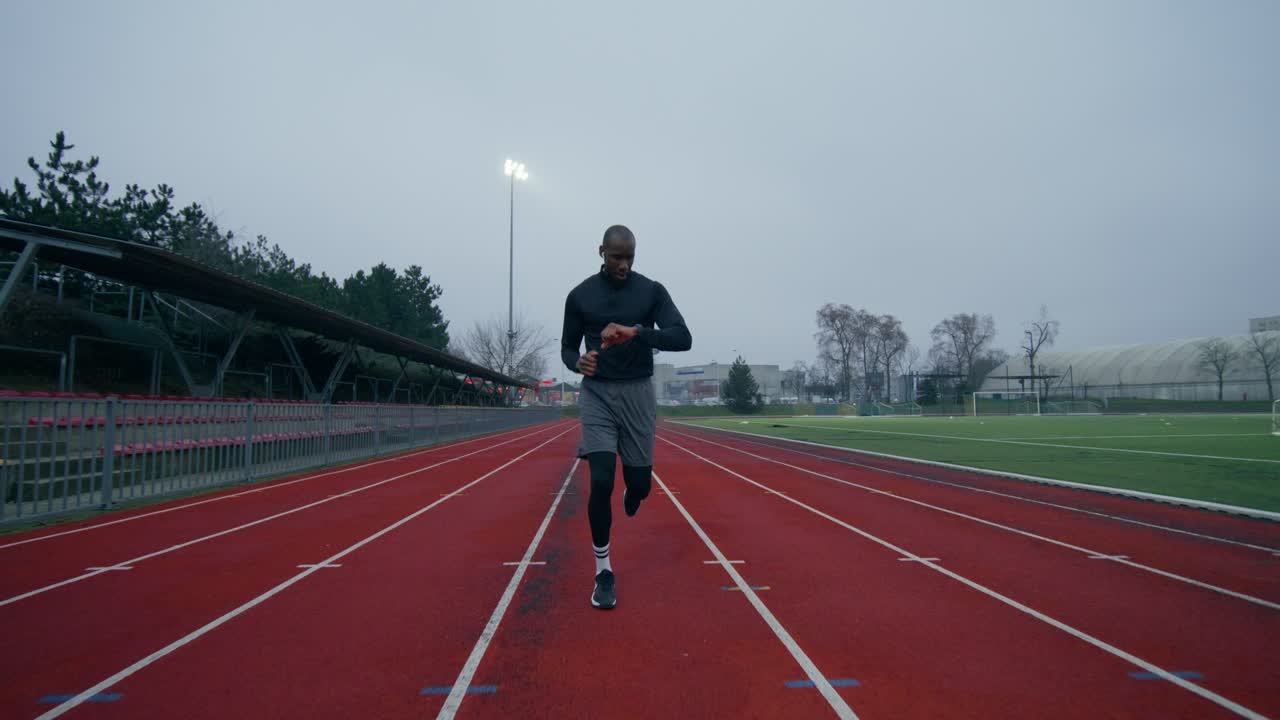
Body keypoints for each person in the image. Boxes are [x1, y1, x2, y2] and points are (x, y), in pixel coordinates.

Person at [561, 224, 692, 609]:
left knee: (639, 485)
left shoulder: (651, 291)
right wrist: (577, 362)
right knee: (601, 478)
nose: (624, 264)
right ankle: (603, 570)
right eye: (617, 256)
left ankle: (636, 492)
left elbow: (683, 337)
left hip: (637, 393)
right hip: (598, 393)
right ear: (601, 251)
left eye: (630, 257)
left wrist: (638, 333)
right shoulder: (580, 296)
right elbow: (568, 348)